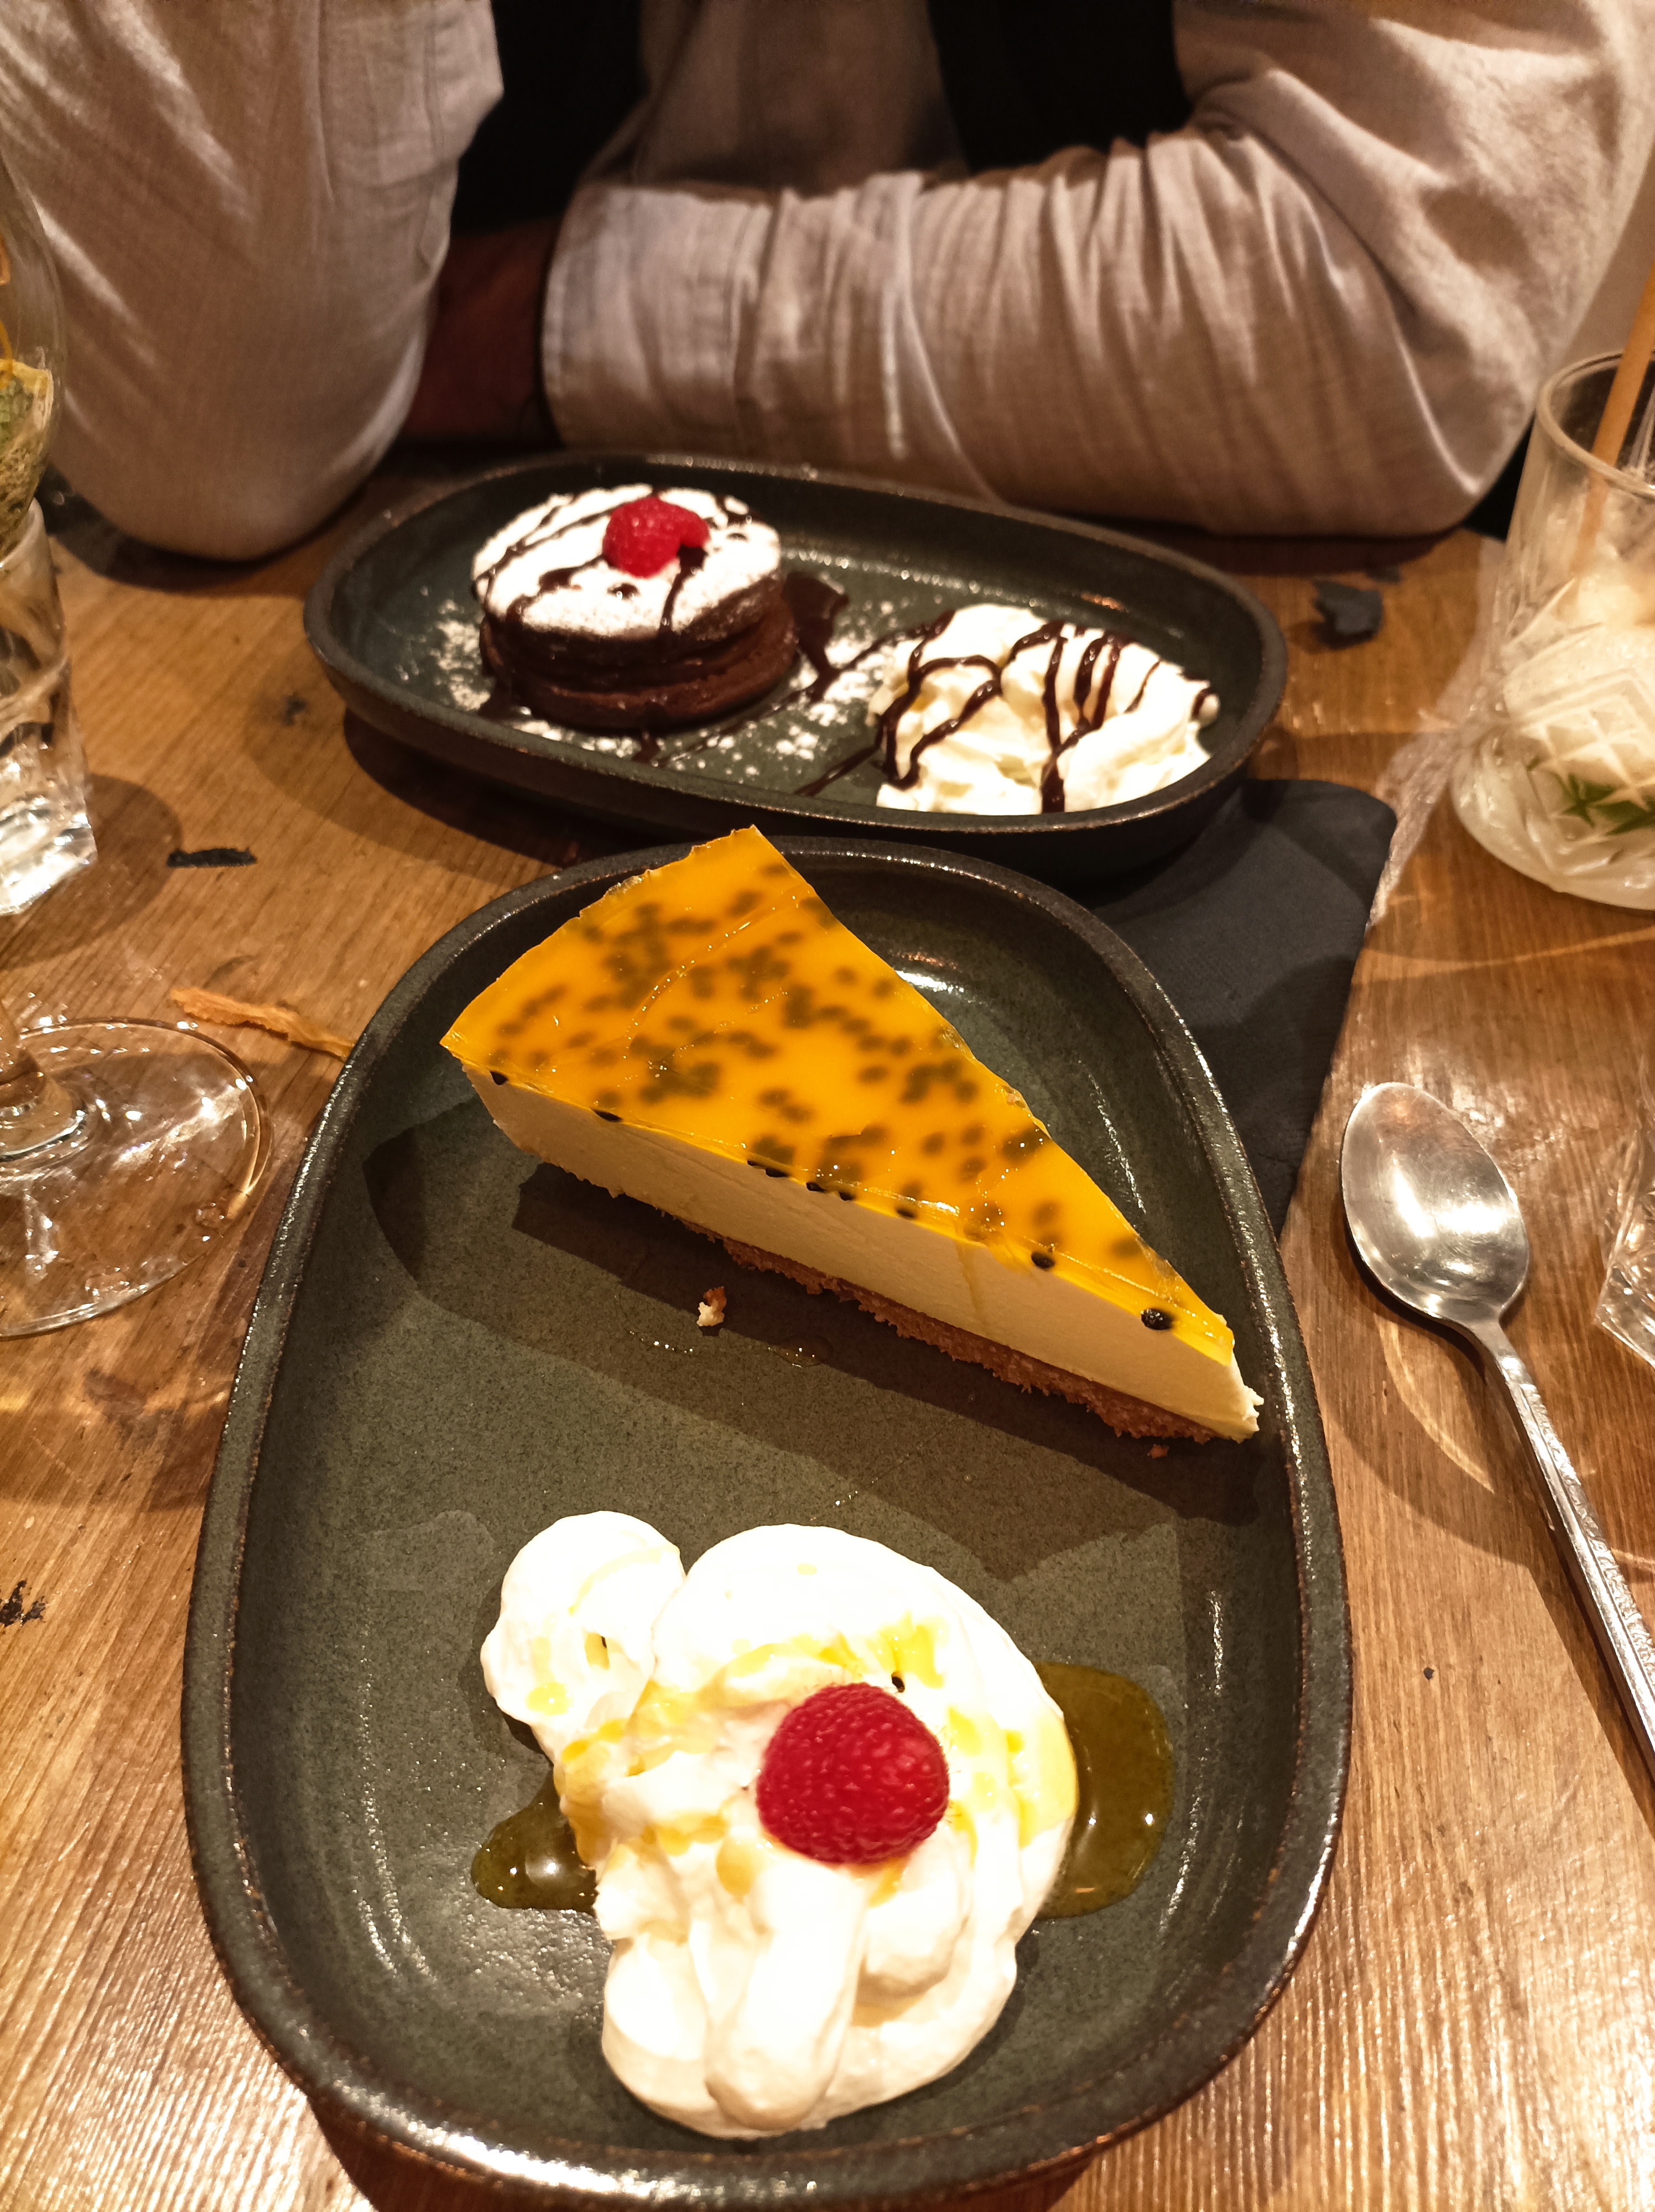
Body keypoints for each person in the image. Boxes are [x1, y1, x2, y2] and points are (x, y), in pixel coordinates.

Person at [3, 1, 1652, 561]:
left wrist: (541, 320)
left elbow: (1385, 308)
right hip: (361, 591)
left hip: (1203, 615)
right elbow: (222, 414)